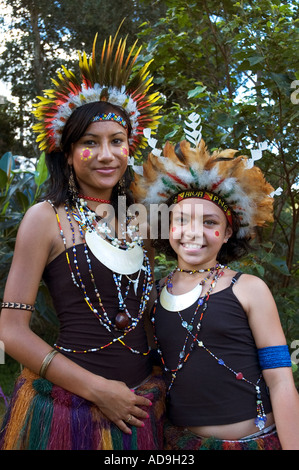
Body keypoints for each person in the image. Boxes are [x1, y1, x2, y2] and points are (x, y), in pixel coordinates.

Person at [0, 31, 165, 450]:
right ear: (68, 152)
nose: (106, 155)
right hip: (70, 413)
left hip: (139, 406)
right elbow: (11, 332)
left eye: (117, 141)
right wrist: (97, 390)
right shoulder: (45, 218)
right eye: (90, 143)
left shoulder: (141, 220)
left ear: (131, 148)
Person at [131, 118, 299, 450]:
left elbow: (280, 381)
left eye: (210, 222)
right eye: (182, 220)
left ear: (225, 234)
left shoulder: (248, 288)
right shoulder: (153, 295)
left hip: (254, 441)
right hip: (182, 445)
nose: (195, 232)